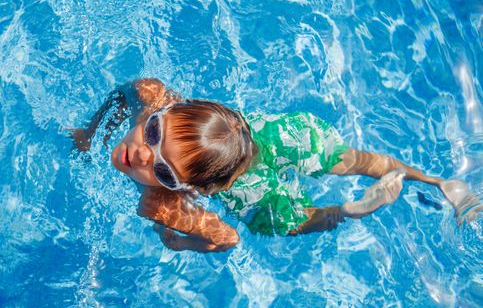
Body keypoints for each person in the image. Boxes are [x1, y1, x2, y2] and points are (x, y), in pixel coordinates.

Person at [70, 78, 482, 252]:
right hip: (277, 134)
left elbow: (228, 238)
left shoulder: (159, 204)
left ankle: (346, 210)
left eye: (163, 174)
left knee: (292, 218)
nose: (142, 153)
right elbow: (124, 94)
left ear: (192, 189)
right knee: (344, 158)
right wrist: (92, 134)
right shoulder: (152, 97)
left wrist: (179, 239)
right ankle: (436, 180)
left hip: (251, 189)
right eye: (154, 132)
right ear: (170, 110)